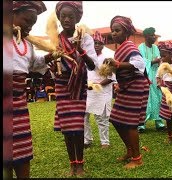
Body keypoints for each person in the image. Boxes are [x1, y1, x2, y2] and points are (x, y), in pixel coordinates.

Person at [10, 1, 55, 178]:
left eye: (32, 23)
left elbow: (35, 64)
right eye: (26, 21)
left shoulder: (27, 45)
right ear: (11, 15)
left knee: (22, 150)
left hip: (19, 105)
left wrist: (51, 56)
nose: (29, 26)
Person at [53, 1, 97, 176]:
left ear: (78, 17)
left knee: (77, 126)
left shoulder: (85, 38)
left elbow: (93, 66)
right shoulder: (56, 38)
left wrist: (81, 51)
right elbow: (51, 62)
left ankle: (80, 164)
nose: (66, 19)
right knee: (67, 127)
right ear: (58, 17)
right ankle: (72, 163)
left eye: (71, 16)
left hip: (78, 86)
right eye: (63, 16)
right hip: (62, 85)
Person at [108, 15, 150, 169]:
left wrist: (118, 64)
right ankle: (130, 150)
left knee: (131, 124)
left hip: (136, 87)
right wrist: (119, 84)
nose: (114, 33)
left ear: (125, 31)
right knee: (116, 119)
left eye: (117, 30)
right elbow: (121, 70)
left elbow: (139, 65)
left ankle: (137, 158)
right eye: (112, 30)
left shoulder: (130, 46)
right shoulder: (120, 49)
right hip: (127, 88)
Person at [84, 31, 116, 149]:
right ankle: (87, 140)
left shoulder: (107, 59)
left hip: (102, 92)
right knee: (84, 117)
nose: (96, 45)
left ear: (103, 45)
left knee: (102, 119)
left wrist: (96, 85)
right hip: (87, 92)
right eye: (94, 43)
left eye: (99, 43)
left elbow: (110, 78)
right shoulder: (87, 57)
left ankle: (105, 142)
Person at [137, 27, 165, 133]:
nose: (154, 37)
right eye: (152, 35)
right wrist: (152, 61)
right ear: (146, 36)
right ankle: (141, 124)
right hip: (145, 76)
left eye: (154, 35)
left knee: (158, 97)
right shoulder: (140, 47)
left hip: (155, 75)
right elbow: (140, 62)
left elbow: (159, 61)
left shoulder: (156, 48)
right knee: (145, 99)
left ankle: (159, 122)